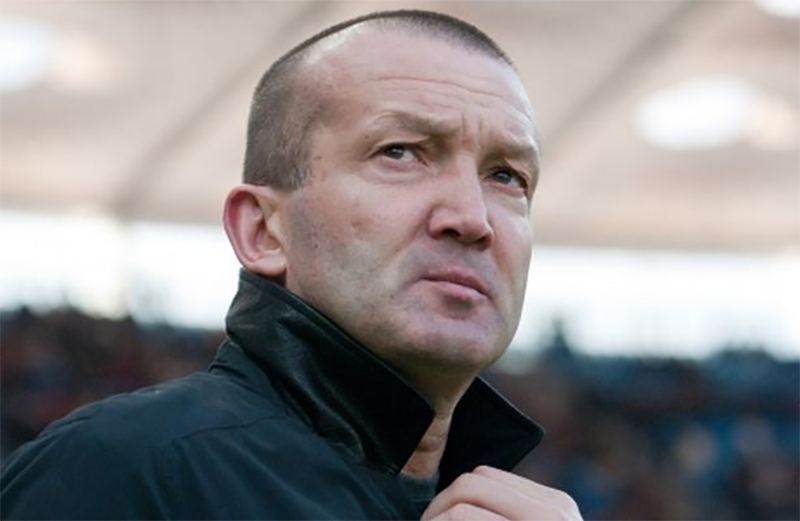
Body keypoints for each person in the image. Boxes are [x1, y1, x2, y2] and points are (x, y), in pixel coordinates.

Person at [1, 9, 582, 520]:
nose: (472, 217)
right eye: (400, 152)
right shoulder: (123, 470)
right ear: (262, 231)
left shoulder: (512, 500)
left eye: (506, 176)